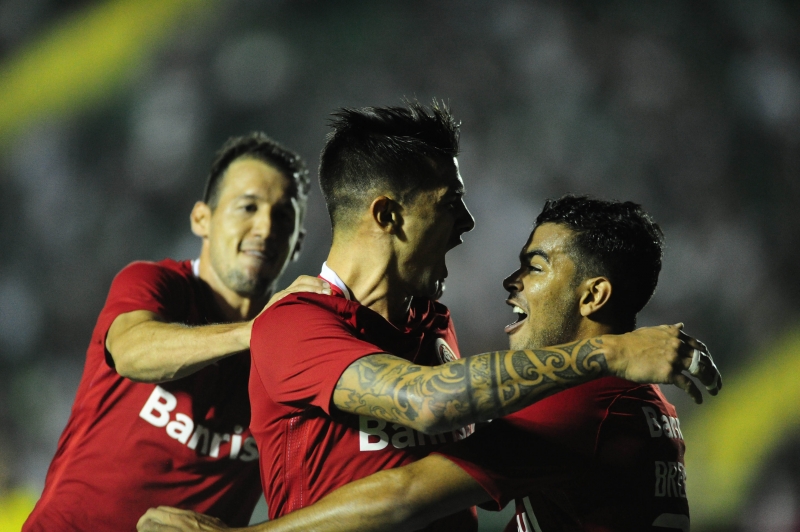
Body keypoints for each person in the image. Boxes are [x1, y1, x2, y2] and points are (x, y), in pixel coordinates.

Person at [138, 106, 719, 532]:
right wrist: (609, 351)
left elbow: (418, 487)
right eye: (449, 203)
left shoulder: (436, 330)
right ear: (387, 214)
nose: (468, 222)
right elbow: (424, 417)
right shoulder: (295, 324)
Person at [23, 133, 331, 532]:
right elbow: (131, 352)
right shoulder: (153, 284)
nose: (266, 226)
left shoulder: (296, 357)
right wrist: (257, 332)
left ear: (296, 244)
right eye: (248, 207)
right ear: (202, 218)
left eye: (284, 216)